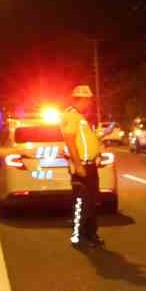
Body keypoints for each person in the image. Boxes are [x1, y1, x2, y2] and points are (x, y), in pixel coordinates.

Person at [60, 84, 105, 249]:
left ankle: (91, 234)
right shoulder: (71, 116)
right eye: (89, 100)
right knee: (82, 202)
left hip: (90, 165)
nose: (90, 103)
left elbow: (85, 141)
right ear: (82, 99)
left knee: (92, 202)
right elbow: (70, 140)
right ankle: (78, 236)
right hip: (82, 166)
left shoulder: (80, 117)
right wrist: (78, 164)